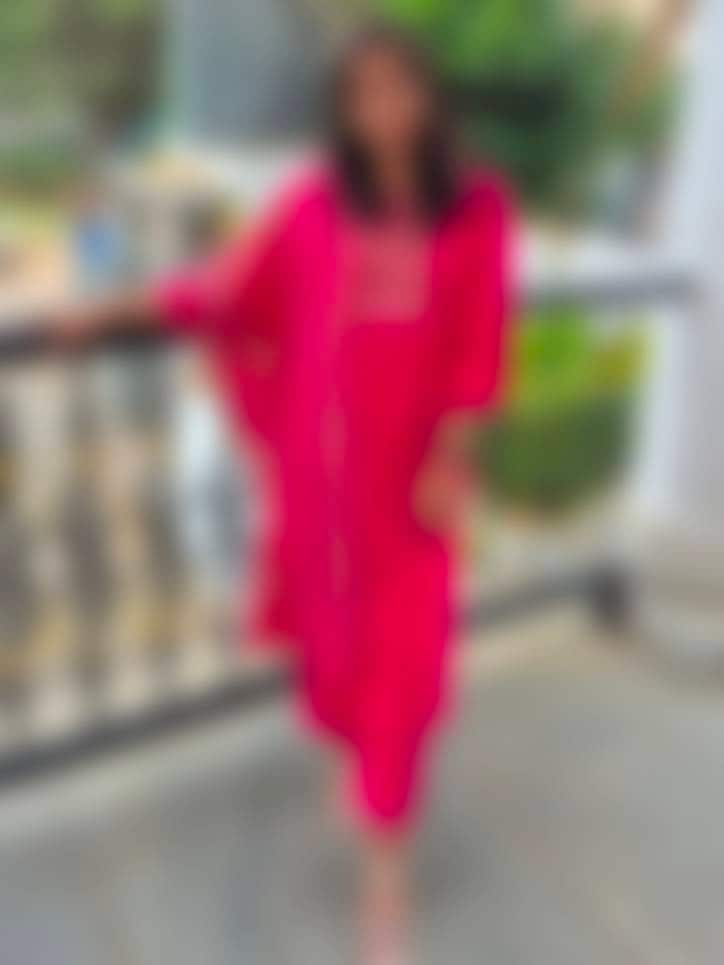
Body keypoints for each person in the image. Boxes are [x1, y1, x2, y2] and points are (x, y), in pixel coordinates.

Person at [57, 23, 517, 964]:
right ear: (343, 110)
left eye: (399, 87)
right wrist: (111, 310)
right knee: (342, 661)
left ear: (428, 95)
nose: (384, 109)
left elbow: (482, 342)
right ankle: (370, 789)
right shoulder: (312, 205)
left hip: (415, 495)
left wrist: (451, 454)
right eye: (363, 94)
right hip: (327, 491)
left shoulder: (478, 208)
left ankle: (385, 874)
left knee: (409, 674)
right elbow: (231, 291)